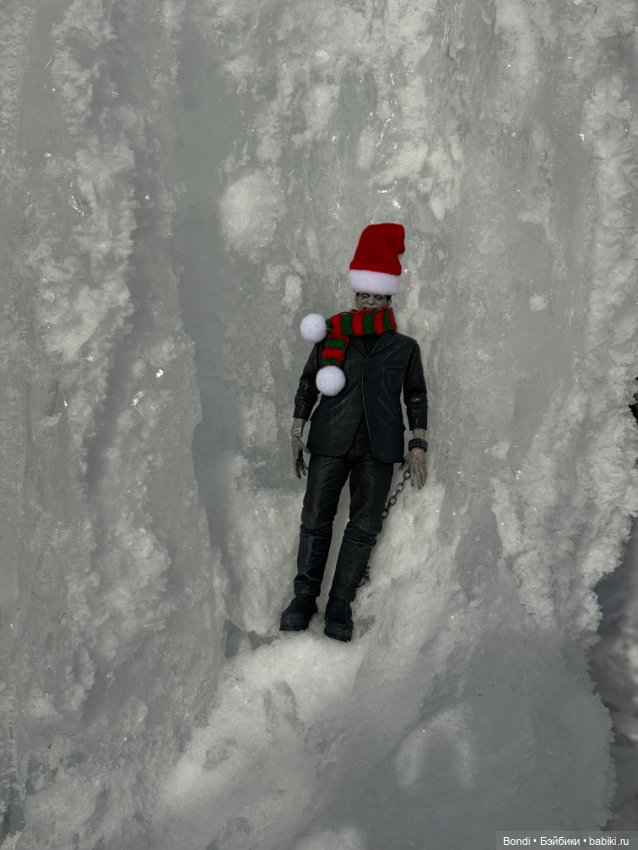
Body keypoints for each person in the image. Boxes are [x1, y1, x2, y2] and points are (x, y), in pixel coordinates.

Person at [279, 223, 428, 642]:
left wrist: (418, 441)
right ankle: (303, 597)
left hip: (379, 448)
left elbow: (416, 394)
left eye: (377, 297)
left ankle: (340, 603)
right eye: (364, 295)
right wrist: (297, 427)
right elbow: (308, 384)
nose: (369, 302)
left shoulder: (405, 348)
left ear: (389, 300)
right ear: (355, 295)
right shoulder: (332, 335)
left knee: (364, 526)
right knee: (314, 518)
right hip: (330, 438)